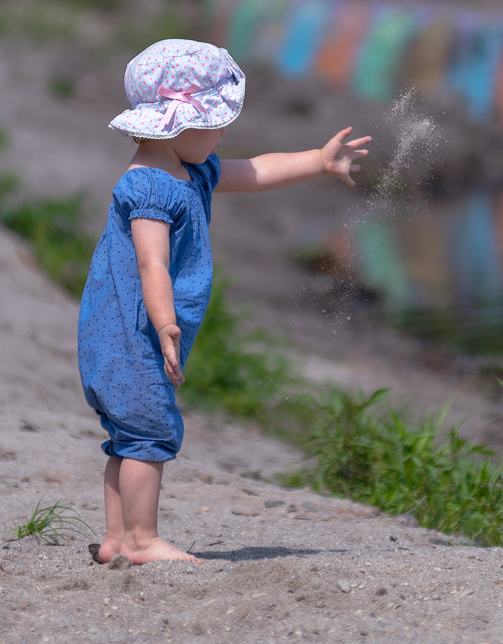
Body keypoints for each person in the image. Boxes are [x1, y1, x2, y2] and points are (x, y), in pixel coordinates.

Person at [78, 39, 371, 565]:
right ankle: (142, 541)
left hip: (127, 329)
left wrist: (318, 161)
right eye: (215, 123)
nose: (224, 134)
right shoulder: (147, 186)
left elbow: (255, 170)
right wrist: (165, 325)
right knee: (148, 432)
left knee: (128, 435)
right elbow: (152, 263)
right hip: (133, 331)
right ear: (176, 125)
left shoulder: (190, 169)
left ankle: (116, 540)